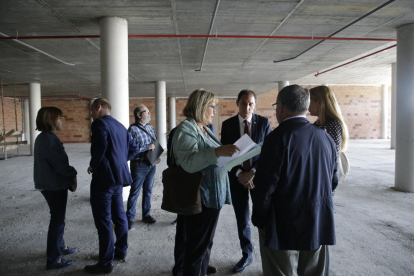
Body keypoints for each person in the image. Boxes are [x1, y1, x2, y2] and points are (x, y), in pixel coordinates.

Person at [251, 85, 338, 276]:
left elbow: (265, 187)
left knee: (281, 270)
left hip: (282, 221)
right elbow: (333, 180)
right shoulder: (325, 138)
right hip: (317, 219)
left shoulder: (276, 139)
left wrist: (259, 217)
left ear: (280, 107)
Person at [171, 89, 239, 276]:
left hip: (211, 195)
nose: (214, 110)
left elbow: (211, 158)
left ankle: (199, 269)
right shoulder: (187, 129)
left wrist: (230, 159)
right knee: (197, 247)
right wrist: (217, 152)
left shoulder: (204, 128)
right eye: (212, 106)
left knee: (204, 243)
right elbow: (188, 163)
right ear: (201, 107)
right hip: (201, 196)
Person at [85, 98, 139, 274]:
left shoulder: (99, 124)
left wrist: (94, 165)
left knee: (103, 221)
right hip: (119, 178)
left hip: (104, 179)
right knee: (119, 216)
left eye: (92, 110)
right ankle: (121, 251)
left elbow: (100, 149)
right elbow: (134, 148)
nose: (91, 114)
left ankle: (105, 262)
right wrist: (120, 161)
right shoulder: (120, 125)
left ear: (98, 107)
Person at [220, 89, 271, 273]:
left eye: (250, 103)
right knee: (242, 219)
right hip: (237, 179)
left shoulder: (264, 122)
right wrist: (240, 173)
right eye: (243, 103)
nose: (247, 107)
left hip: (258, 179)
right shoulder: (228, 125)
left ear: (255, 104)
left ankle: (269, 256)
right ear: (237, 103)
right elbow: (226, 155)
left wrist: (253, 173)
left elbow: (268, 153)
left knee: (263, 217)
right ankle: (247, 254)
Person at [34, 107, 78, 270]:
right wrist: (72, 172)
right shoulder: (50, 139)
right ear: (51, 120)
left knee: (58, 218)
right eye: (60, 118)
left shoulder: (44, 137)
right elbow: (60, 165)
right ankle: (54, 259)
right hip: (54, 185)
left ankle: (60, 247)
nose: (62, 121)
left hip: (48, 183)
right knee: (57, 221)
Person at [126, 105, 161, 229]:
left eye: (149, 111)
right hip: (139, 165)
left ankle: (146, 215)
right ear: (139, 115)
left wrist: (156, 156)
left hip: (151, 164)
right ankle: (129, 218)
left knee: (148, 191)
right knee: (135, 192)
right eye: (146, 112)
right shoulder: (132, 130)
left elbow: (155, 143)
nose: (149, 113)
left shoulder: (150, 128)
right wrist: (148, 147)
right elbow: (130, 149)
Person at [309, 85, 348, 189]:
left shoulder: (332, 124)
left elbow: (332, 157)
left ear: (320, 102)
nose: (308, 104)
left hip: (325, 179)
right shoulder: (320, 123)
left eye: (311, 100)